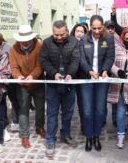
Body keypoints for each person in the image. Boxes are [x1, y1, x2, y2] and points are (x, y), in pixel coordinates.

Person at [40, 20, 80, 157]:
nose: (58, 37)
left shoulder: (74, 42)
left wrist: (70, 74)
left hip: (69, 84)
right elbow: (44, 61)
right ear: (52, 32)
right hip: (53, 85)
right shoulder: (46, 43)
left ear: (67, 31)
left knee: (68, 113)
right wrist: (54, 73)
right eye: (56, 35)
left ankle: (66, 135)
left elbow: (76, 60)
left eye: (61, 34)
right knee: (51, 113)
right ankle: (50, 140)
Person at [79, 15, 115, 152]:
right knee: (87, 110)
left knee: (100, 110)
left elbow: (110, 56)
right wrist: (89, 71)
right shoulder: (83, 39)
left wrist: (105, 70)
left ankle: (96, 136)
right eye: (94, 28)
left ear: (103, 27)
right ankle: (89, 136)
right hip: (87, 77)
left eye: (99, 28)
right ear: (90, 27)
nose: (97, 31)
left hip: (102, 78)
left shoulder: (109, 38)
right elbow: (82, 59)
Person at [9, 25, 45, 148]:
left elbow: (40, 65)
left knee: (40, 108)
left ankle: (39, 127)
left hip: (38, 82)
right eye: (22, 40)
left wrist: (32, 76)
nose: (24, 42)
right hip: (22, 85)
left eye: (27, 39)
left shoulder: (38, 46)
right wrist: (18, 76)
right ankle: (24, 134)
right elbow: (13, 67)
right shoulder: (13, 48)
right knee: (23, 110)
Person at [70, 23, 87, 133]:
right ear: (74, 32)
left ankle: (84, 124)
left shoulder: (87, 44)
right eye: (77, 31)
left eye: (82, 31)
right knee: (69, 103)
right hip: (70, 77)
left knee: (82, 102)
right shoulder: (69, 43)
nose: (79, 33)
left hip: (83, 77)